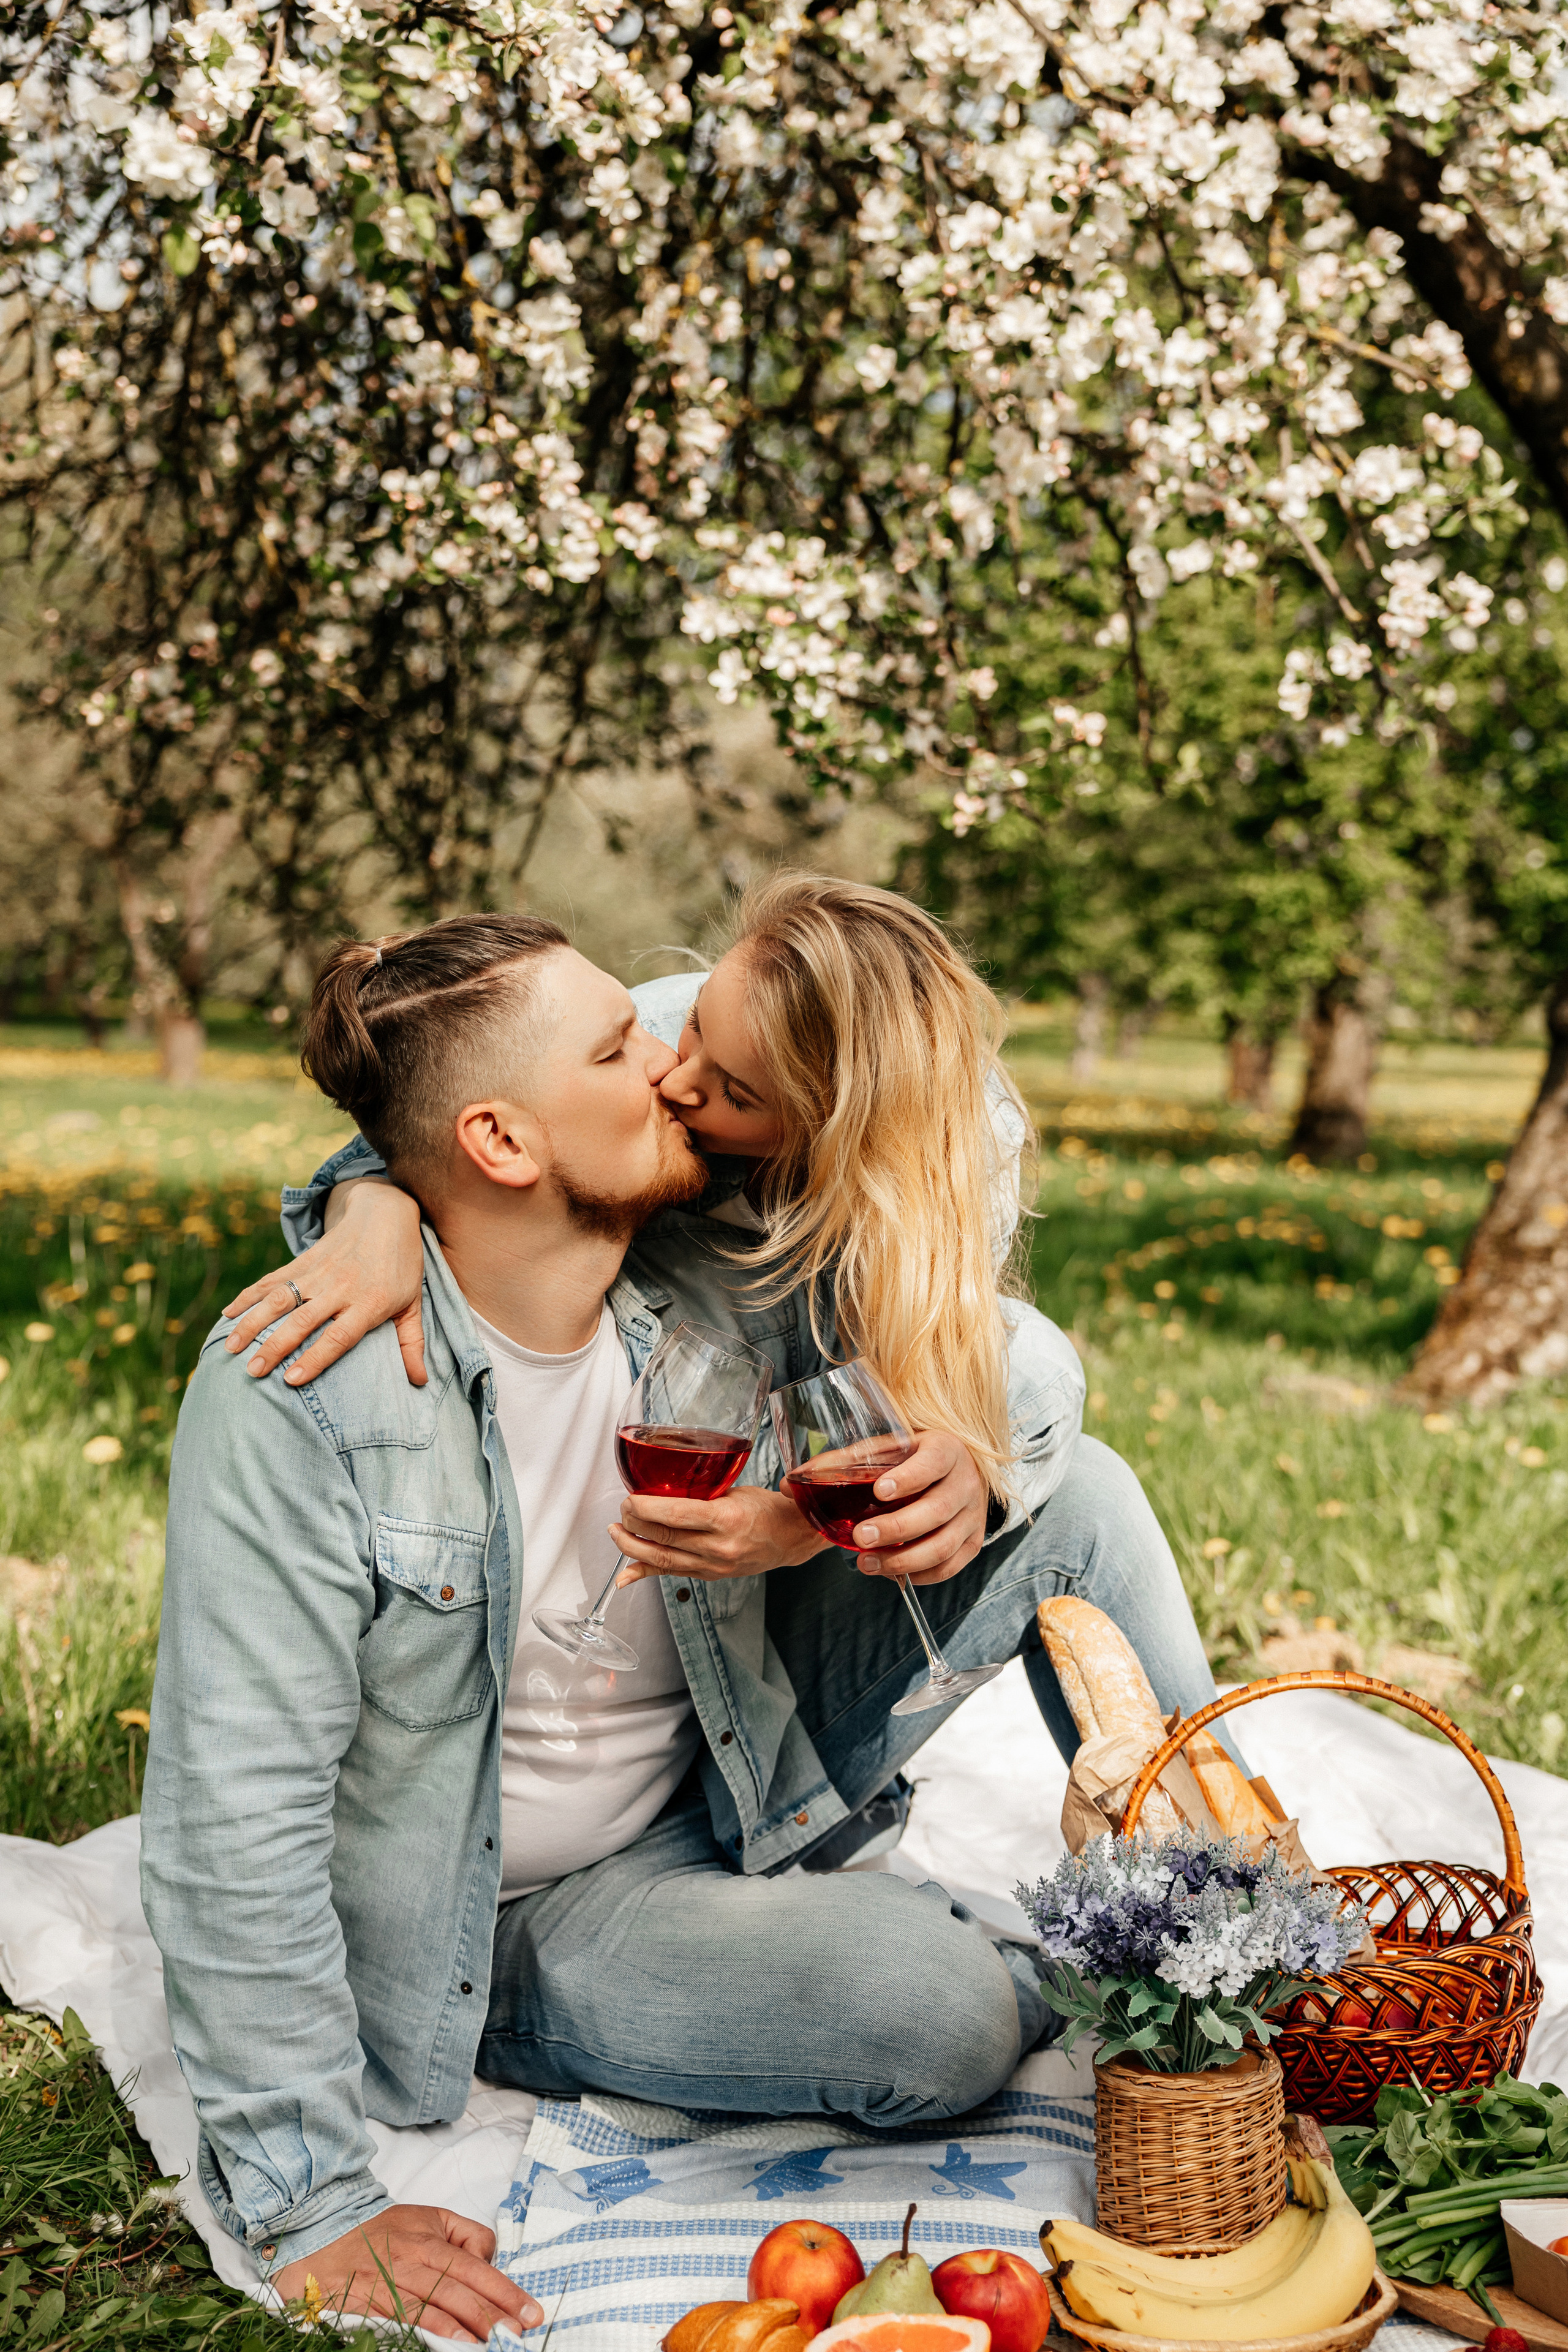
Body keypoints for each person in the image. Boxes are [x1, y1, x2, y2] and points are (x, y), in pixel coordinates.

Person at [145, 910, 1106, 2345]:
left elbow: (994, 1312)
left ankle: (1227, 1925)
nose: (668, 1069)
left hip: (711, 1800)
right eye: (620, 1047)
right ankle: (1005, 1958)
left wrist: (955, 1465)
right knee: (936, 2017)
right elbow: (235, 1803)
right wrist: (311, 2204)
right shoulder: (306, 1387)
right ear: (505, 1145)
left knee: (1076, 1490)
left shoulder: (686, 1291)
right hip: (514, 1913)